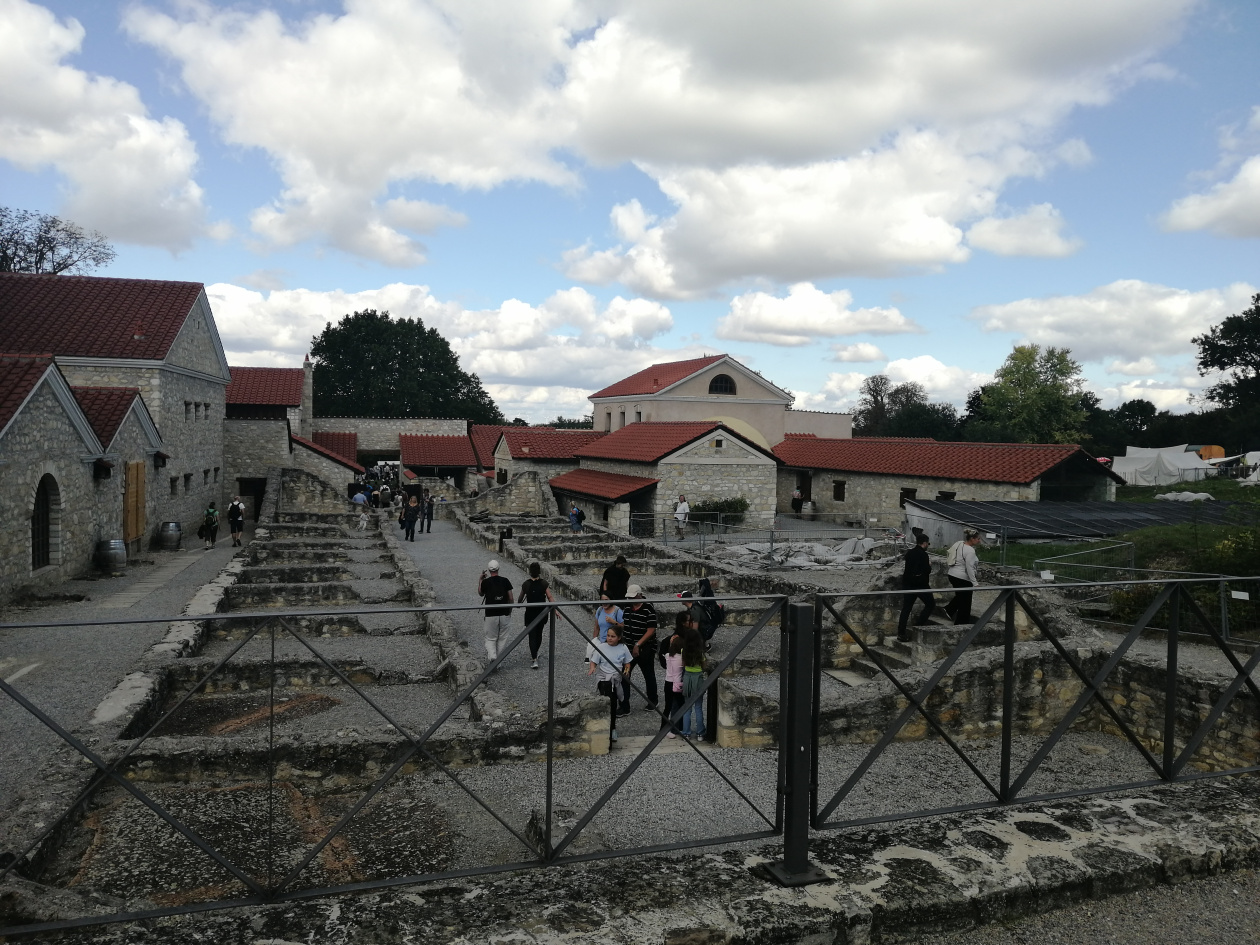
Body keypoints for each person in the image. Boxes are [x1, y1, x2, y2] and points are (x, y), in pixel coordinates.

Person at [588, 625, 633, 745]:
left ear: (619, 637)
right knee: (607, 703)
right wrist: (592, 668)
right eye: (608, 636)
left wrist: (626, 670)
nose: (610, 638)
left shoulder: (623, 648)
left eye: (613, 636)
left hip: (615, 678)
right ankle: (606, 728)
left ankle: (612, 728)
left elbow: (627, 662)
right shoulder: (601, 647)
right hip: (604, 679)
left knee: (613, 705)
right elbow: (594, 661)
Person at [621, 584, 658, 712]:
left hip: (644, 648)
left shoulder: (648, 608)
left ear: (640, 595)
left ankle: (653, 700)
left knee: (648, 674)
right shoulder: (627, 607)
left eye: (633, 598)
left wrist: (638, 644)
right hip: (628, 648)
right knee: (625, 675)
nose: (631, 600)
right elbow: (625, 624)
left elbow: (651, 629)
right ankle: (624, 705)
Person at [896, 533, 935, 641]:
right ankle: (919, 626)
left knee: (906, 608)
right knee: (930, 604)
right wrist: (929, 565)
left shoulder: (910, 552)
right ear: (925, 543)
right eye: (928, 543)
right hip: (920, 584)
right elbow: (926, 570)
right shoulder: (923, 555)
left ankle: (901, 633)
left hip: (908, 583)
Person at [518, 561, 555, 670]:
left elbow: (520, 598)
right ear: (539, 572)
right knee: (539, 634)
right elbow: (550, 597)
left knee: (532, 636)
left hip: (530, 613)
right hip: (541, 613)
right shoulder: (544, 583)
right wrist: (556, 610)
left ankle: (534, 657)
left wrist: (518, 603)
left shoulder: (526, 584)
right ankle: (535, 654)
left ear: (530, 572)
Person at [477, 560, 514, 664]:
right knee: (502, 638)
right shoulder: (505, 580)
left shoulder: (486, 582)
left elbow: (480, 593)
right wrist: (510, 610)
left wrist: (480, 580)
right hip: (504, 613)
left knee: (490, 638)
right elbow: (511, 598)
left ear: (489, 570)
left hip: (490, 614)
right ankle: (498, 660)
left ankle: (493, 656)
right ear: (498, 569)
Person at [945, 529, 982, 625]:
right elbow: (969, 567)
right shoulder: (970, 551)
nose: (979, 541)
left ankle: (949, 609)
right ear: (972, 539)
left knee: (961, 596)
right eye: (978, 539)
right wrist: (975, 583)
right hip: (962, 577)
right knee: (965, 603)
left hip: (952, 574)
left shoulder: (959, 544)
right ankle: (961, 623)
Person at [679, 626, 706, 739]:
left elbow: (684, 664)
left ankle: (686, 732)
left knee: (687, 708)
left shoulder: (683, 651)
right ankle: (700, 732)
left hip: (687, 678)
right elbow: (703, 665)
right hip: (698, 678)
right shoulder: (700, 652)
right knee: (698, 707)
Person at [661, 633, 685, 738]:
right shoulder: (681, 659)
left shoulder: (667, 656)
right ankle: (680, 727)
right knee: (681, 706)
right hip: (677, 684)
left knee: (667, 707)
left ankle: (663, 728)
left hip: (668, 683)